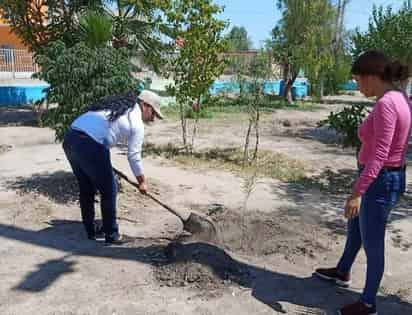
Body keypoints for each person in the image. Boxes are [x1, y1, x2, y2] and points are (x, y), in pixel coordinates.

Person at [314, 50, 411, 315]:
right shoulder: (399, 97)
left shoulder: (387, 104)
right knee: (355, 227)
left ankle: (368, 304)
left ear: (371, 77)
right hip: (382, 177)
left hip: (379, 181)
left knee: (373, 244)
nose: (356, 86)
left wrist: (358, 191)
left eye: (357, 80)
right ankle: (342, 271)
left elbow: (380, 154)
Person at [62, 90, 163, 244]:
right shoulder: (136, 122)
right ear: (145, 105)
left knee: (86, 187)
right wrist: (142, 181)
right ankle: (112, 235)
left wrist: (99, 160)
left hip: (71, 138)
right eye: (153, 113)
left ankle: (90, 230)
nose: (153, 118)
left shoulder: (118, 109)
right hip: (90, 144)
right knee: (109, 189)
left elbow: (105, 134)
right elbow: (134, 156)